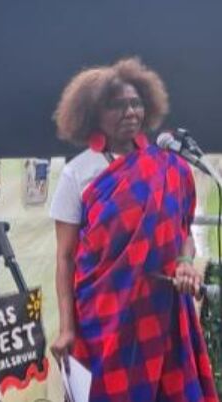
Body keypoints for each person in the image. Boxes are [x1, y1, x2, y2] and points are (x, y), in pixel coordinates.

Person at [49, 57, 219, 401]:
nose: (130, 112)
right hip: (105, 317)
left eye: (136, 103)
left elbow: (182, 235)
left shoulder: (171, 167)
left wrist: (185, 263)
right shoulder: (76, 174)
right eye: (117, 105)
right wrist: (67, 327)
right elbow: (65, 258)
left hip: (163, 313)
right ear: (93, 113)